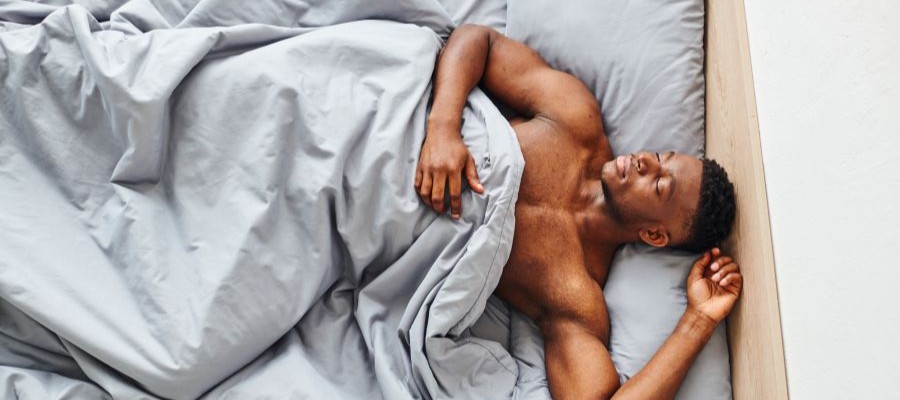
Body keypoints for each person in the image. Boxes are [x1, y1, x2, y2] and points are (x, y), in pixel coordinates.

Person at [414, 25, 740, 399]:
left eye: (660, 185)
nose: (646, 161)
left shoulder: (576, 296)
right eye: (662, 156)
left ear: (654, 235)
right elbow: (479, 41)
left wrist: (698, 321)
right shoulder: (576, 119)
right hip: (407, 131)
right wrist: (443, 127)